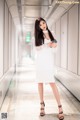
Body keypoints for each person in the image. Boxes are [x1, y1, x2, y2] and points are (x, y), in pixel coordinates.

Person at [34, 17, 64, 120]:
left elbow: (55, 48)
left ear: (45, 23)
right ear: (38, 27)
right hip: (40, 63)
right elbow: (37, 48)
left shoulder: (52, 34)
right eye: (40, 25)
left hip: (49, 62)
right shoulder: (38, 36)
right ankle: (42, 104)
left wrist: (54, 45)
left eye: (43, 23)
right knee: (40, 82)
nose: (43, 25)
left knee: (52, 83)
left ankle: (59, 106)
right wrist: (47, 45)